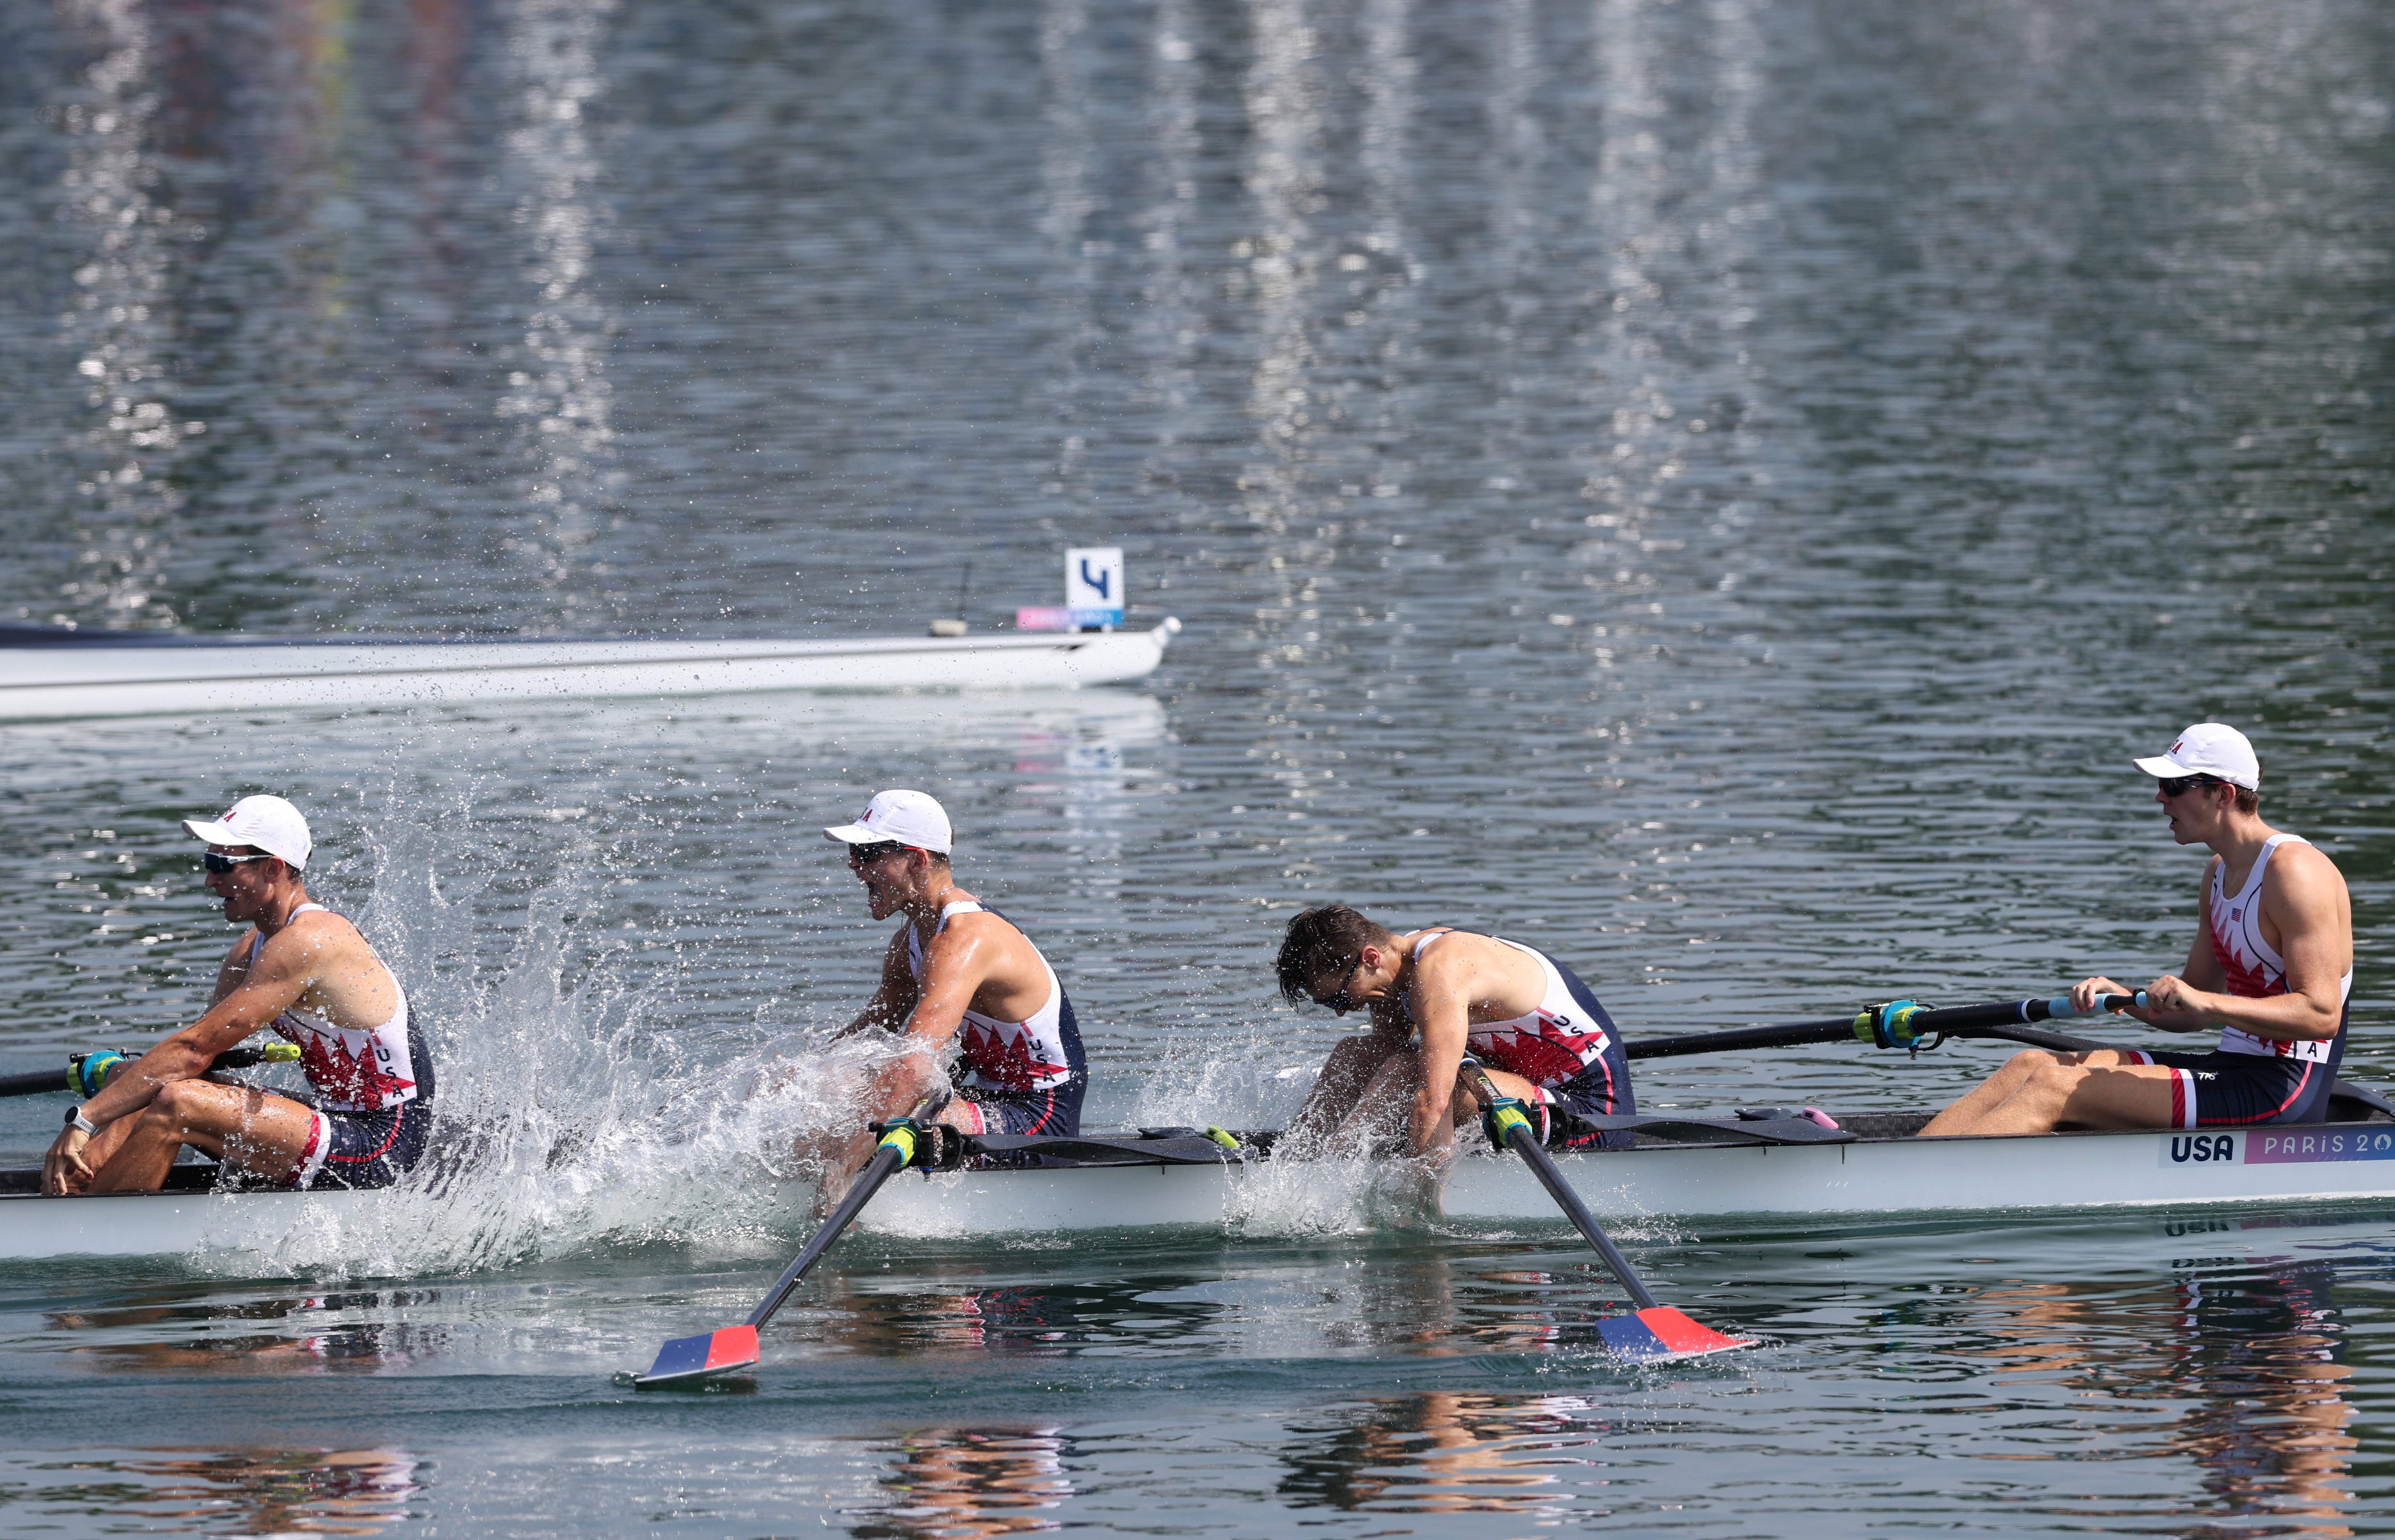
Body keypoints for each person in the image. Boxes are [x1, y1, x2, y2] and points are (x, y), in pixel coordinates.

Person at [1922, 723, 2353, 1137]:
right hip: (2232, 1067)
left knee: (2054, 1089)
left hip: (2284, 1088)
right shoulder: (2218, 873)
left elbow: (2321, 1014)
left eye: (2174, 786)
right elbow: (2190, 1011)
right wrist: (2123, 997)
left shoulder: (2296, 873)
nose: (2160, 798)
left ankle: (1920, 1186)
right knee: (2031, 1065)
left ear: (2223, 794)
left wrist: (2205, 1000)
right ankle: (1910, 1166)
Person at [42, 795, 437, 1194]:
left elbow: (194, 1049)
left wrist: (84, 1119)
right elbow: (189, 1059)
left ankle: (89, 1228)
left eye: (221, 866)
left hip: (385, 1142)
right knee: (153, 1082)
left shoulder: (310, 940)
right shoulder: (251, 949)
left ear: (273, 868)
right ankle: (72, 1189)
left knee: (179, 1102)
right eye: (208, 864)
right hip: (337, 1117)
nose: (210, 881)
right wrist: (117, 1082)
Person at [814, 789, 1087, 1191]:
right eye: (854, 852)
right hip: (985, 1095)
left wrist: (841, 1172)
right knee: (833, 1098)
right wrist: (806, 1079)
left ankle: (835, 1192)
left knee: (908, 1125)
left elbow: (914, 1067)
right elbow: (865, 1040)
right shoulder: (907, 944)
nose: (855, 865)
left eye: (869, 853)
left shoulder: (965, 940)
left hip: (1042, 1114)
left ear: (918, 859)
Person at [1276, 905, 1636, 1162]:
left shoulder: (1440, 969)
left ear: (1371, 958)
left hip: (1591, 1114)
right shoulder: (1392, 976)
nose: (1341, 1009)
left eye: (1339, 996)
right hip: (1523, 1090)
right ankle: (1298, 1157)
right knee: (1354, 1055)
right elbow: (1381, 1065)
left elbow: (1434, 1101)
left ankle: (1329, 1171)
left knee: (1407, 1074)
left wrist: (1415, 1213)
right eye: (1328, 1003)